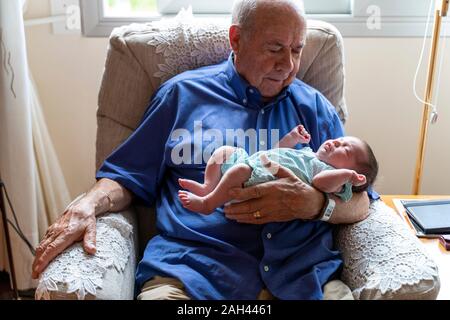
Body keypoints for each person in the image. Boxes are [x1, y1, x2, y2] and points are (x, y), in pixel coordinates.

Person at [32, 0, 378, 300]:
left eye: (297, 50)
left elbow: (362, 199)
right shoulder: (181, 96)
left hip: (304, 280)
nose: (287, 64)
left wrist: (315, 204)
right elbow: (126, 176)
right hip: (192, 275)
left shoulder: (315, 109)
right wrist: (88, 204)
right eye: (274, 48)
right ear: (236, 39)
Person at [178, 125, 378, 214]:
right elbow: (277, 152)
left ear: (353, 175)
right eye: (340, 140)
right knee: (224, 152)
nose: (336, 142)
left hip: (260, 178)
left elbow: (320, 184)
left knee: (238, 170)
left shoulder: (331, 175)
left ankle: (208, 203)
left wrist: (346, 176)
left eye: (346, 150)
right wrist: (292, 138)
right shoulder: (307, 153)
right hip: (257, 163)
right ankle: (208, 186)